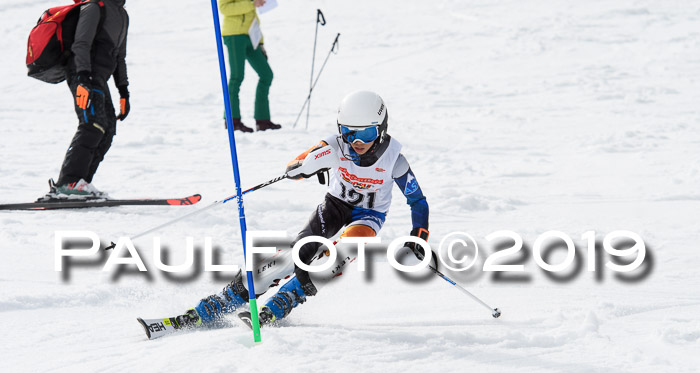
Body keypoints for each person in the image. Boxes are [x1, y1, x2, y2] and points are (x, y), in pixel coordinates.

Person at [173, 91, 429, 329]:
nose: (358, 142)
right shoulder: (335, 146)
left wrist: (419, 237)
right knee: (299, 252)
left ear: (382, 129)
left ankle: (287, 298)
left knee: (346, 248)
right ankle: (228, 297)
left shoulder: (394, 160)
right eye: (350, 134)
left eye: (368, 133)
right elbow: (297, 164)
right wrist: (303, 167)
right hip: (335, 206)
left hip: (368, 216)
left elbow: (417, 201)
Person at [41, 0, 130, 201]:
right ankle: (67, 183)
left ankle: (81, 184)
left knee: (107, 130)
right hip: (84, 73)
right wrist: (81, 78)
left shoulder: (122, 15)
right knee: (92, 125)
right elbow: (81, 44)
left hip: (100, 79)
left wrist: (123, 91)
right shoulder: (93, 6)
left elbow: (119, 57)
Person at [219, 0, 281, 132]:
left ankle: (262, 120)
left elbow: (253, 17)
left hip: (250, 36)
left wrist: (261, 43)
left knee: (266, 74)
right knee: (237, 76)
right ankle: (232, 120)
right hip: (234, 34)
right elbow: (224, 8)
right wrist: (251, 4)